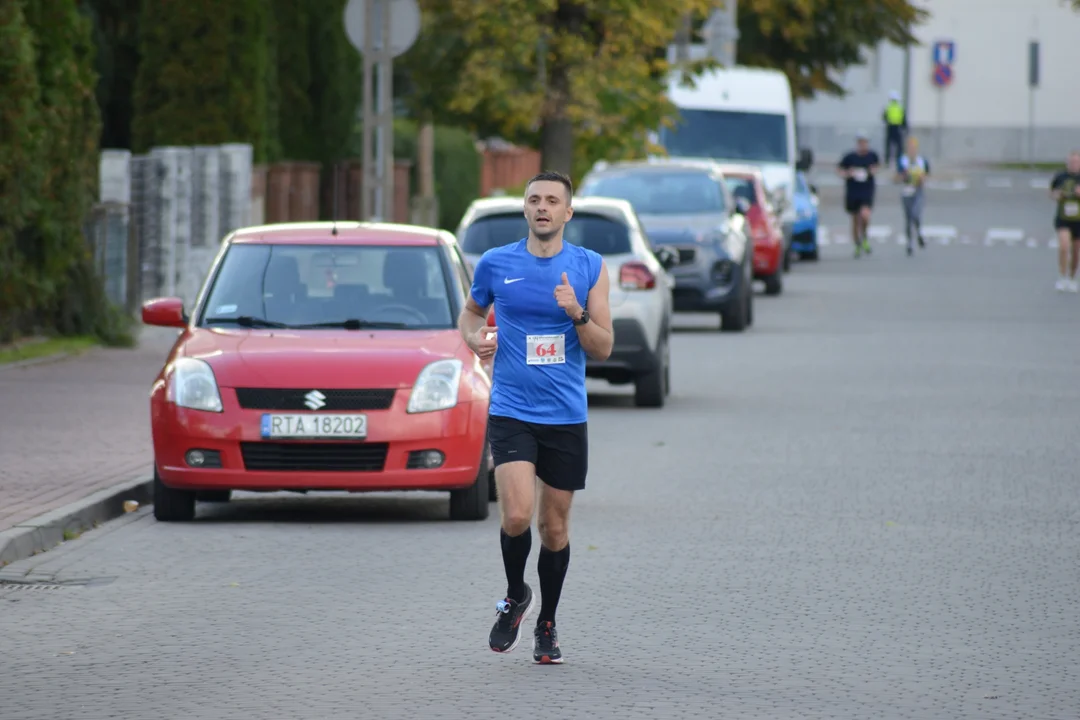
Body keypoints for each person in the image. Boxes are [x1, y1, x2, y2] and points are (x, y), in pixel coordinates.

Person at [458, 170, 613, 664]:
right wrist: (473, 337)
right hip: (512, 409)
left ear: (568, 213)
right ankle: (514, 596)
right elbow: (469, 312)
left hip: (565, 415)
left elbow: (604, 347)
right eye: (534, 200)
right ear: (524, 209)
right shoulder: (496, 263)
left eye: (552, 200)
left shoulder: (589, 267)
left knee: (554, 528)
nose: (542, 207)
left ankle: (547, 623)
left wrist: (577, 314)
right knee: (517, 514)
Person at [838, 132, 881, 258]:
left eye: (865, 142)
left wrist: (872, 171)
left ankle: (865, 237)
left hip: (866, 191)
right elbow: (840, 170)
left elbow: (877, 167)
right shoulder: (850, 157)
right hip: (853, 191)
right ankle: (857, 244)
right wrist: (848, 173)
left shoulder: (872, 156)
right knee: (855, 219)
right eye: (861, 142)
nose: (863, 145)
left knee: (865, 215)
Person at [895, 136, 930, 256]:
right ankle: (909, 242)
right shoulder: (902, 161)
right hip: (906, 191)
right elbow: (898, 177)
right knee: (908, 218)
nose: (912, 150)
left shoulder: (922, 161)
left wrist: (920, 179)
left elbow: (926, 176)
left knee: (916, 214)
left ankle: (919, 233)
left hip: (917, 191)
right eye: (910, 148)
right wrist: (905, 176)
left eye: (913, 148)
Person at [1051, 151, 1080, 292]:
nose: (1074, 165)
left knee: (1076, 251)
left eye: (1076, 162)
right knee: (1064, 247)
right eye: (1071, 162)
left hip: (1078, 220)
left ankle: (1072, 277)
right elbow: (1052, 193)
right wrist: (1058, 195)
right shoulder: (1061, 177)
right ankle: (1062, 276)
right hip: (1063, 218)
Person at [882, 90, 907, 166]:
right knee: (899, 146)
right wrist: (905, 127)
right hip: (898, 128)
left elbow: (884, 117)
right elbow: (903, 119)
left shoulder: (888, 107)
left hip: (890, 127)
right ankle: (898, 160)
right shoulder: (900, 107)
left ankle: (887, 161)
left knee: (888, 145)